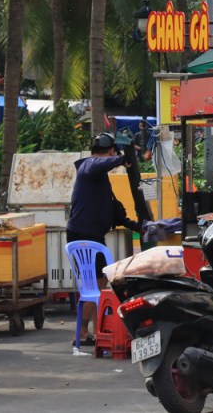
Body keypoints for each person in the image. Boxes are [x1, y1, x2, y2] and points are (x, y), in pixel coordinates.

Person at [66, 132, 145, 347]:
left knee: (97, 283)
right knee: (94, 284)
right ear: (110, 151)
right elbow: (98, 163)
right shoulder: (88, 165)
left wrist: (138, 226)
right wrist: (122, 159)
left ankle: (92, 331)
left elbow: (114, 213)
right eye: (113, 155)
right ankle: (82, 333)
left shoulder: (99, 179)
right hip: (84, 235)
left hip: (91, 234)